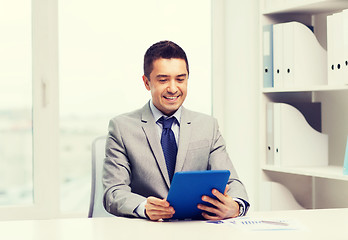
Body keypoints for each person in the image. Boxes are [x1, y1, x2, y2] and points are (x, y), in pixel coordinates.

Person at [103, 40, 249, 221]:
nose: (173, 88)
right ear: (146, 82)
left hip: (198, 229)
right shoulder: (122, 128)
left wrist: (235, 206)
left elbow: (232, 182)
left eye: (180, 79)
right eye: (163, 80)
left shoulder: (208, 126)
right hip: (148, 230)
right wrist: (144, 207)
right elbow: (113, 191)